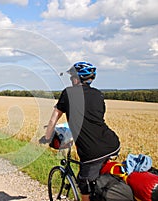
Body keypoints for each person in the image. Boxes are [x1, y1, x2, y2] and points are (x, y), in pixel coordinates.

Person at [40, 61, 120, 201]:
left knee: (84, 185)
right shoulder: (98, 95)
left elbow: (53, 120)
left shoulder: (68, 93)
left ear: (77, 78)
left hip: (92, 152)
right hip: (113, 144)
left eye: (72, 77)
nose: (71, 80)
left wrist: (47, 138)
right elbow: (93, 121)